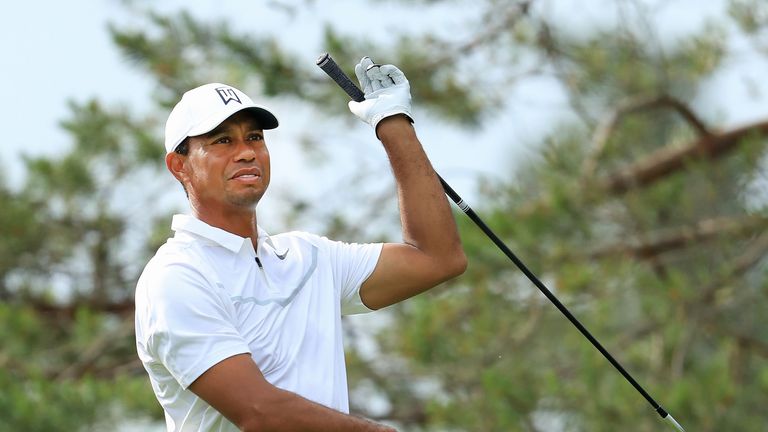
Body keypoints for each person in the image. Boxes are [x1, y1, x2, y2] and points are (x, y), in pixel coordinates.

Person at [134, 57, 467, 432]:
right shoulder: (176, 276)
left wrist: (394, 125)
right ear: (179, 166)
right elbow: (260, 413)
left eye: (254, 137)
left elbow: (438, 257)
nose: (246, 152)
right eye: (223, 140)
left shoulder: (308, 257)